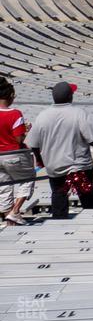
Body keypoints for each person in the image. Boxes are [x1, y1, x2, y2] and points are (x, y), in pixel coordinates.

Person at [26, 81, 93, 220]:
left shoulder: (43, 116)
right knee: (87, 196)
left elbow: (33, 143)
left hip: (55, 166)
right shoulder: (78, 113)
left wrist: (39, 160)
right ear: (70, 96)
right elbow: (91, 137)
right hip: (79, 165)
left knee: (59, 195)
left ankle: (59, 224)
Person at [0, 76, 35, 226]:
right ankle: (15, 211)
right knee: (27, 179)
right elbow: (19, 139)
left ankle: (9, 217)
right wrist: (26, 130)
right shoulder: (14, 113)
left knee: (4, 185)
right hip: (14, 153)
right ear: (10, 96)